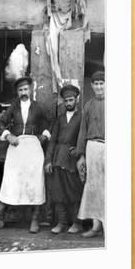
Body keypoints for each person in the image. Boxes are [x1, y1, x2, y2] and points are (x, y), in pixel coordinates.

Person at [0, 76, 51, 233]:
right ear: (17, 92)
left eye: (26, 89)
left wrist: (44, 136)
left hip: (33, 148)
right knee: (9, 181)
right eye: (20, 90)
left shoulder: (39, 107)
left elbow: (51, 122)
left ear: (31, 90)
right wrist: (8, 135)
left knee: (35, 183)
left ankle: (35, 220)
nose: (24, 92)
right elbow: (0, 123)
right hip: (17, 147)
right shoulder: (14, 107)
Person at [44, 84, 84, 234]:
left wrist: (79, 150)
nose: (68, 103)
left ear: (77, 100)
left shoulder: (82, 116)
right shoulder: (60, 119)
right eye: (66, 100)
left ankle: (77, 223)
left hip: (72, 160)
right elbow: (52, 140)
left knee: (74, 191)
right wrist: (48, 160)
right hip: (57, 159)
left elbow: (84, 137)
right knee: (58, 192)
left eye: (71, 100)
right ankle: (62, 223)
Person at [75, 71, 106, 238]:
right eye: (96, 84)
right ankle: (96, 226)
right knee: (93, 186)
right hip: (92, 147)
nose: (99, 87)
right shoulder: (88, 105)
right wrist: (81, 156)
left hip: (110, 147)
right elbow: (82, 131)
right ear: (92, 86)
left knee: (111, 186)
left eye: (102, 83)